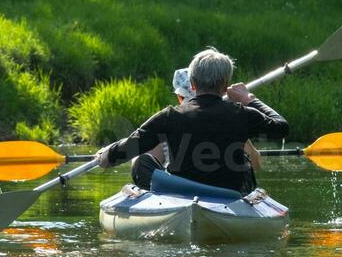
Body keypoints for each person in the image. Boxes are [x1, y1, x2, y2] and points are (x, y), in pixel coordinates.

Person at [94, 47, 287, 195]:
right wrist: (249, 99)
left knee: (141, 162)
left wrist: (107, 155)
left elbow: (132, 145)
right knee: (244, 160)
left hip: (181, 192)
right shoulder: (243, 113)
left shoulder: (170, 115)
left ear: (192, 84)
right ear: (226, 85)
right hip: (230, 193)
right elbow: (281, 128)